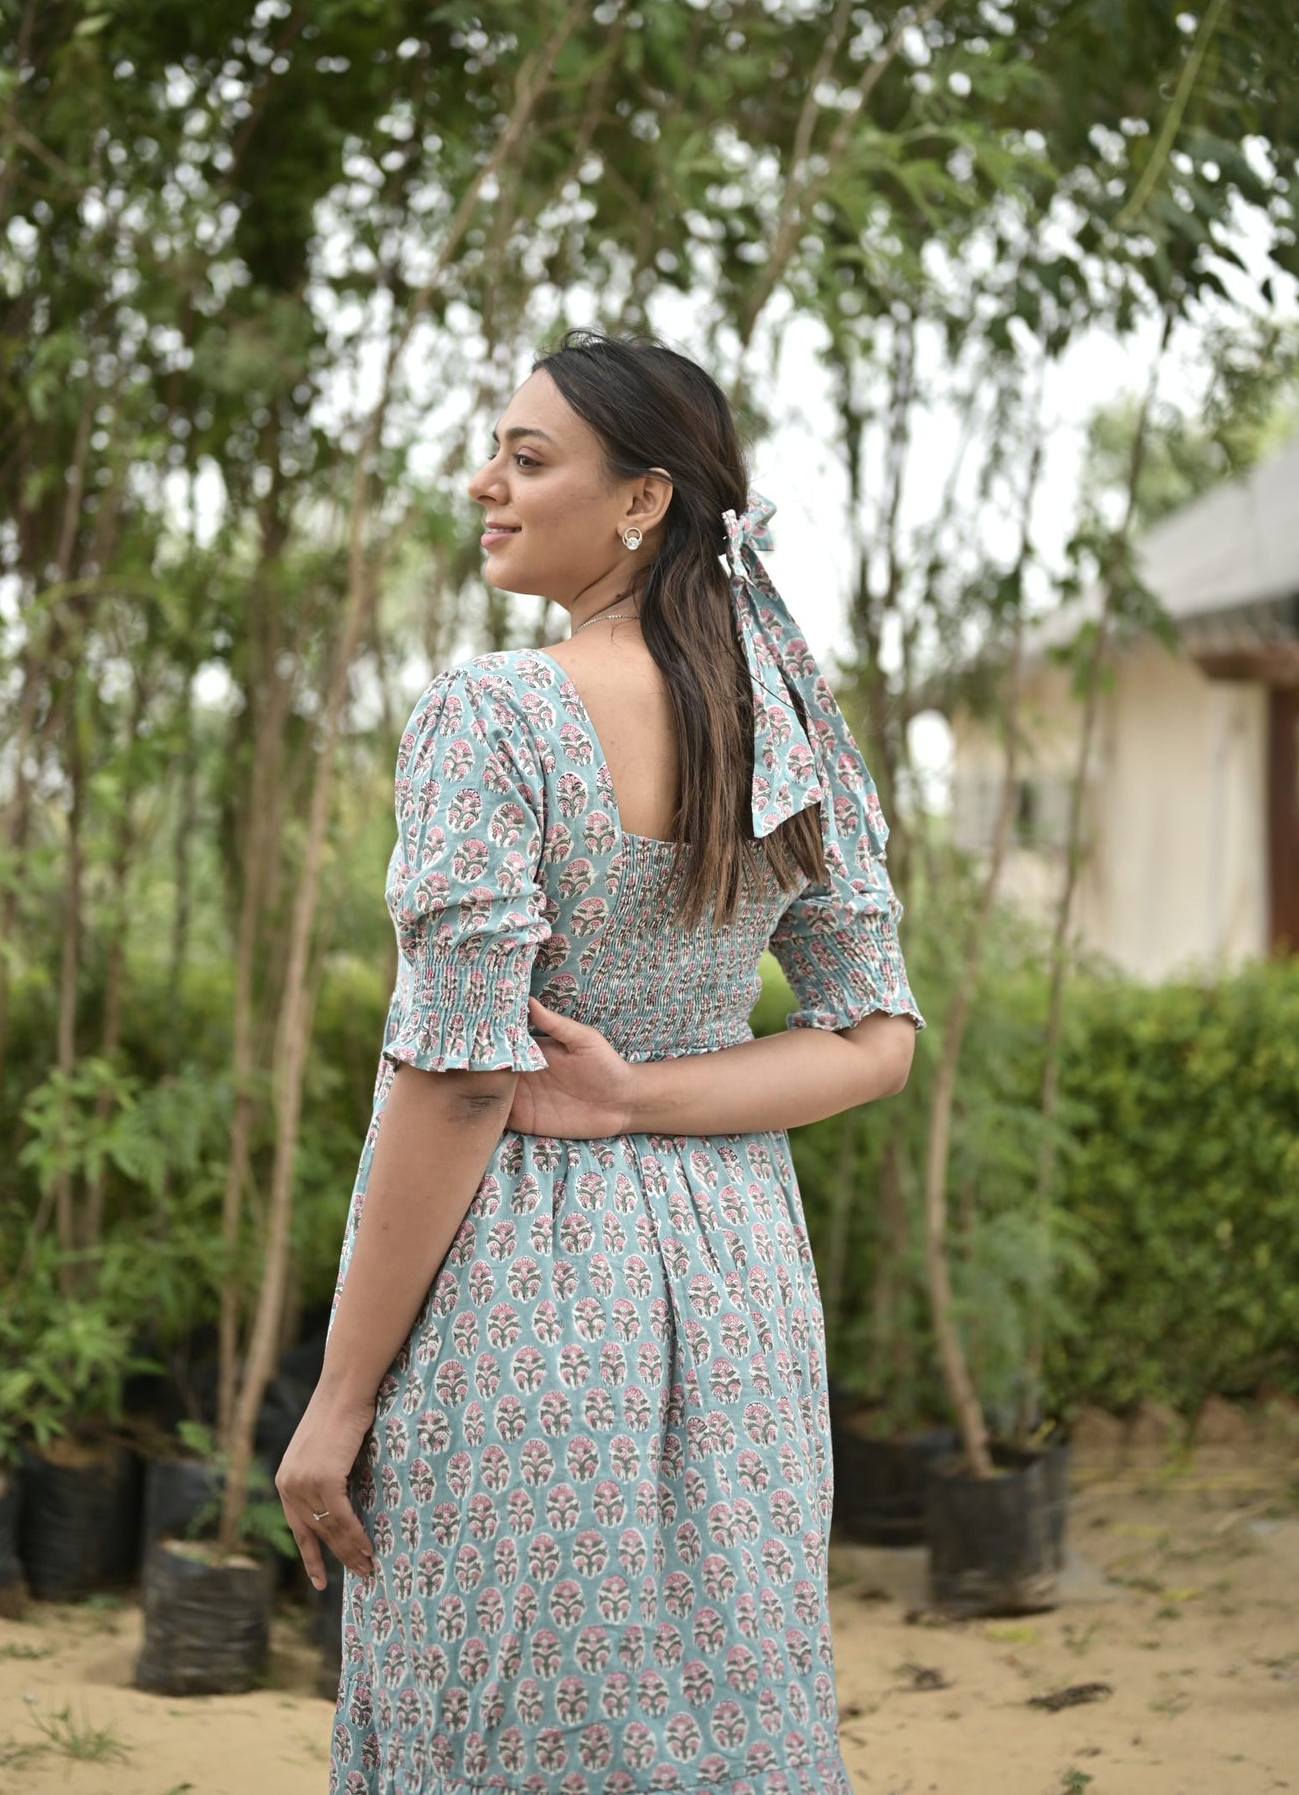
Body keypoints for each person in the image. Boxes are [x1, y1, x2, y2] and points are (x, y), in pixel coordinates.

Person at [277, 331, 923, 1795]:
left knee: (508, 1715)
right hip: (738, 1288)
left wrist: (339, 1395)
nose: (481, 483)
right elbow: (872, 1035)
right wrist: (654, 1096)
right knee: (714, 1705)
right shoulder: (788, 724)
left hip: (526, 1286)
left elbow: (456, 1082)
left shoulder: (494, 713)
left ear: (642, 501)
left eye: (525, 457)